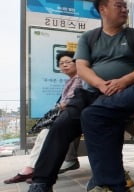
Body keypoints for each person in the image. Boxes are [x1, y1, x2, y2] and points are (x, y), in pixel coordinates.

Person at [20, 0, 134, 192]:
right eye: (118, 5)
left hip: (121, 91)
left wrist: (122, 81)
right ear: (103, 9)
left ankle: (110, 182)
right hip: (90, 91)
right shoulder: (90, 38)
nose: (124, 9)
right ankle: (42, 183)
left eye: (125, 6)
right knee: (62, 125)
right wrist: (102, 84)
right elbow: (81, 68)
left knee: (101, 119)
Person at [4, 51, 82, 184]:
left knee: (48, 135)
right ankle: (29, 169)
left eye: (68, 62)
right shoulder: (70, 81)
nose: (64, 65)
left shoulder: (81, 78)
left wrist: (63, 105)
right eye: (61, 63)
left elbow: (74, 100)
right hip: (67, 116)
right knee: (44, 134)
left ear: (77, 63)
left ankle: (37, 171)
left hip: (75, 116)